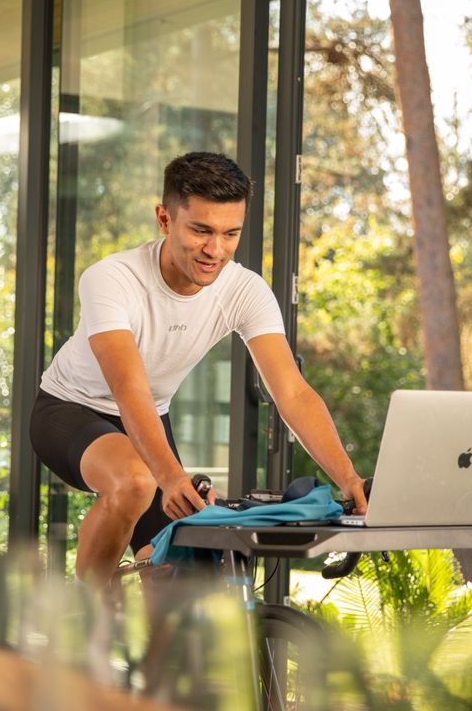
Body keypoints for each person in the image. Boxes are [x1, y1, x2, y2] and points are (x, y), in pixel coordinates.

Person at [31, 151, 368, 588]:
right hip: (69, 410)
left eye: (231, 234)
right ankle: (89, 610)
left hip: (151, 414)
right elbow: (128, 385)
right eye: (201, 231)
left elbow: (292, 392)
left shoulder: (244, 290)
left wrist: (347, 478)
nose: (216, 250)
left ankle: (154, 638)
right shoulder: (111, 278)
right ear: (165, 220)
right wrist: (168, 477)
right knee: (138, 480)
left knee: (174, 566)